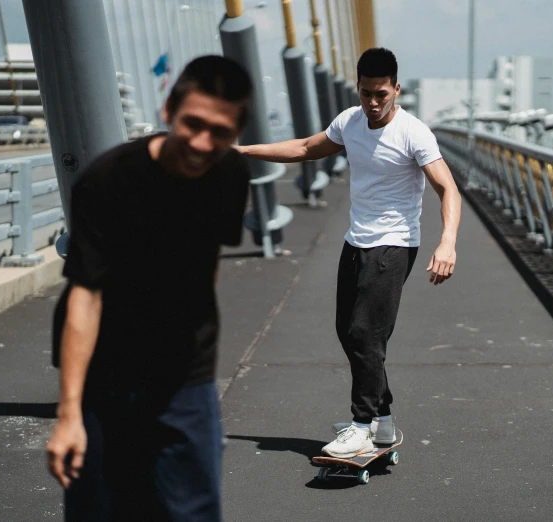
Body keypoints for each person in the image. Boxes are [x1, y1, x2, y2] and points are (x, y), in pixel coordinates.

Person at [46, 55, 252, 522]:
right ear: (168, 110)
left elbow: (209, 263)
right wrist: (69, 415)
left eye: (220, 132)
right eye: (192, 124)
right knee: (101, 509)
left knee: (192, 511)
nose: (202, 143)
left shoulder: (229, 175)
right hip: (105, 365)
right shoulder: (108, 180)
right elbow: (86, 295)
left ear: (237, 132)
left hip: (184, 368)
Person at [236, 47, 462, 458]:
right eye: (365, 94)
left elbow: (447, 188)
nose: (373, 104)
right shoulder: (350, 121)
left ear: (396, 89)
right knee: (350, 334)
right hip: (356, 241)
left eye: (381, 94)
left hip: (393, 244)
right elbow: (306, 148)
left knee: (366, 333)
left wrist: (446, 242)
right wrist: (243, 152)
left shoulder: (414, 133)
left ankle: (361, 426)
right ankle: (385, 421)